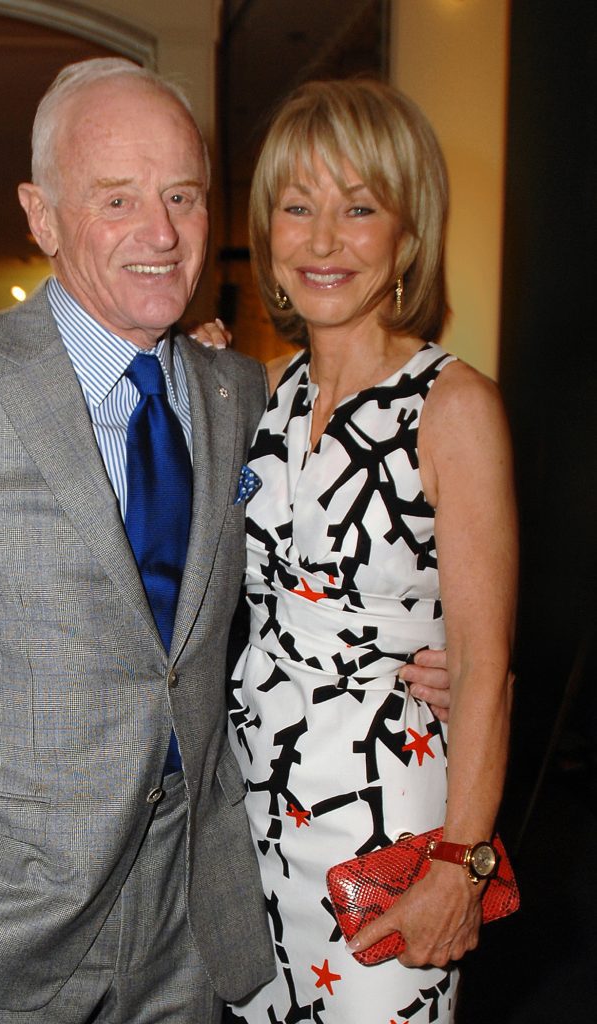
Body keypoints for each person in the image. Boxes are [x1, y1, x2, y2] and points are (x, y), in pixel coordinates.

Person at [0, 57, 276, 1024]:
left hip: (190, 922)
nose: (161, 233)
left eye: (182, 195)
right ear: (41, 216)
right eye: (117, 198)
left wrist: (417, 663)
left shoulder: (239, 392)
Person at [226, 77, 517, 1024]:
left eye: (357, 209)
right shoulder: (254, 395)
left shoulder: (453, 406)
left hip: (386, 827)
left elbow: (482, 665)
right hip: (247, 815)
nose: (321, 240)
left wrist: (460, 863)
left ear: (407, 234)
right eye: (296, 207)